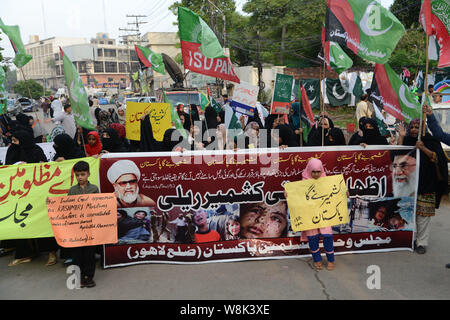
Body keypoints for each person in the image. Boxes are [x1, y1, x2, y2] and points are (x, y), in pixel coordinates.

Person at [398, 119, 448, 254]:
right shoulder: (407, 140)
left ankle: (421, 242)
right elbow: (397, 157)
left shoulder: (432, 141)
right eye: (412, 127)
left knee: (423, 216)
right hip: (409, 185)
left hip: (427, 184)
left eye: (417, 127)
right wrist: (401, 137)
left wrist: (423, 148)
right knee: (408, 214)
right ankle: (410, 239)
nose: (414, 129)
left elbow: (438, 159)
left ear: (423, 128)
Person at [293, 158, 336, 271]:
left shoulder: (327, 182)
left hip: (324, 215)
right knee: (312, 238)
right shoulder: (303, 183)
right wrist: (289, 194)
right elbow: (296, 197)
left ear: (322, 170)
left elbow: (335, 195)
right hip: (310, 216)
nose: (316, 174)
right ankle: (317, 259)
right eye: (314, 172)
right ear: (309, 171)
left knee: (327, 237)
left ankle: (331, 260)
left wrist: (344, 192)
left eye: (318, 171)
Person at [67, 160, 100, 288]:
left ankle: (88, 277)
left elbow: (99, 206)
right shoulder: (72, 190)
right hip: (76, 229)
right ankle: (78, 277)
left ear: (88, 174)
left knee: (89, 254)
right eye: (77, 175)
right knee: (77, 254)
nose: (80, 177)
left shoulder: (94, 189)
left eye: (82, 174)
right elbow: (67, 208)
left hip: (90, 228)